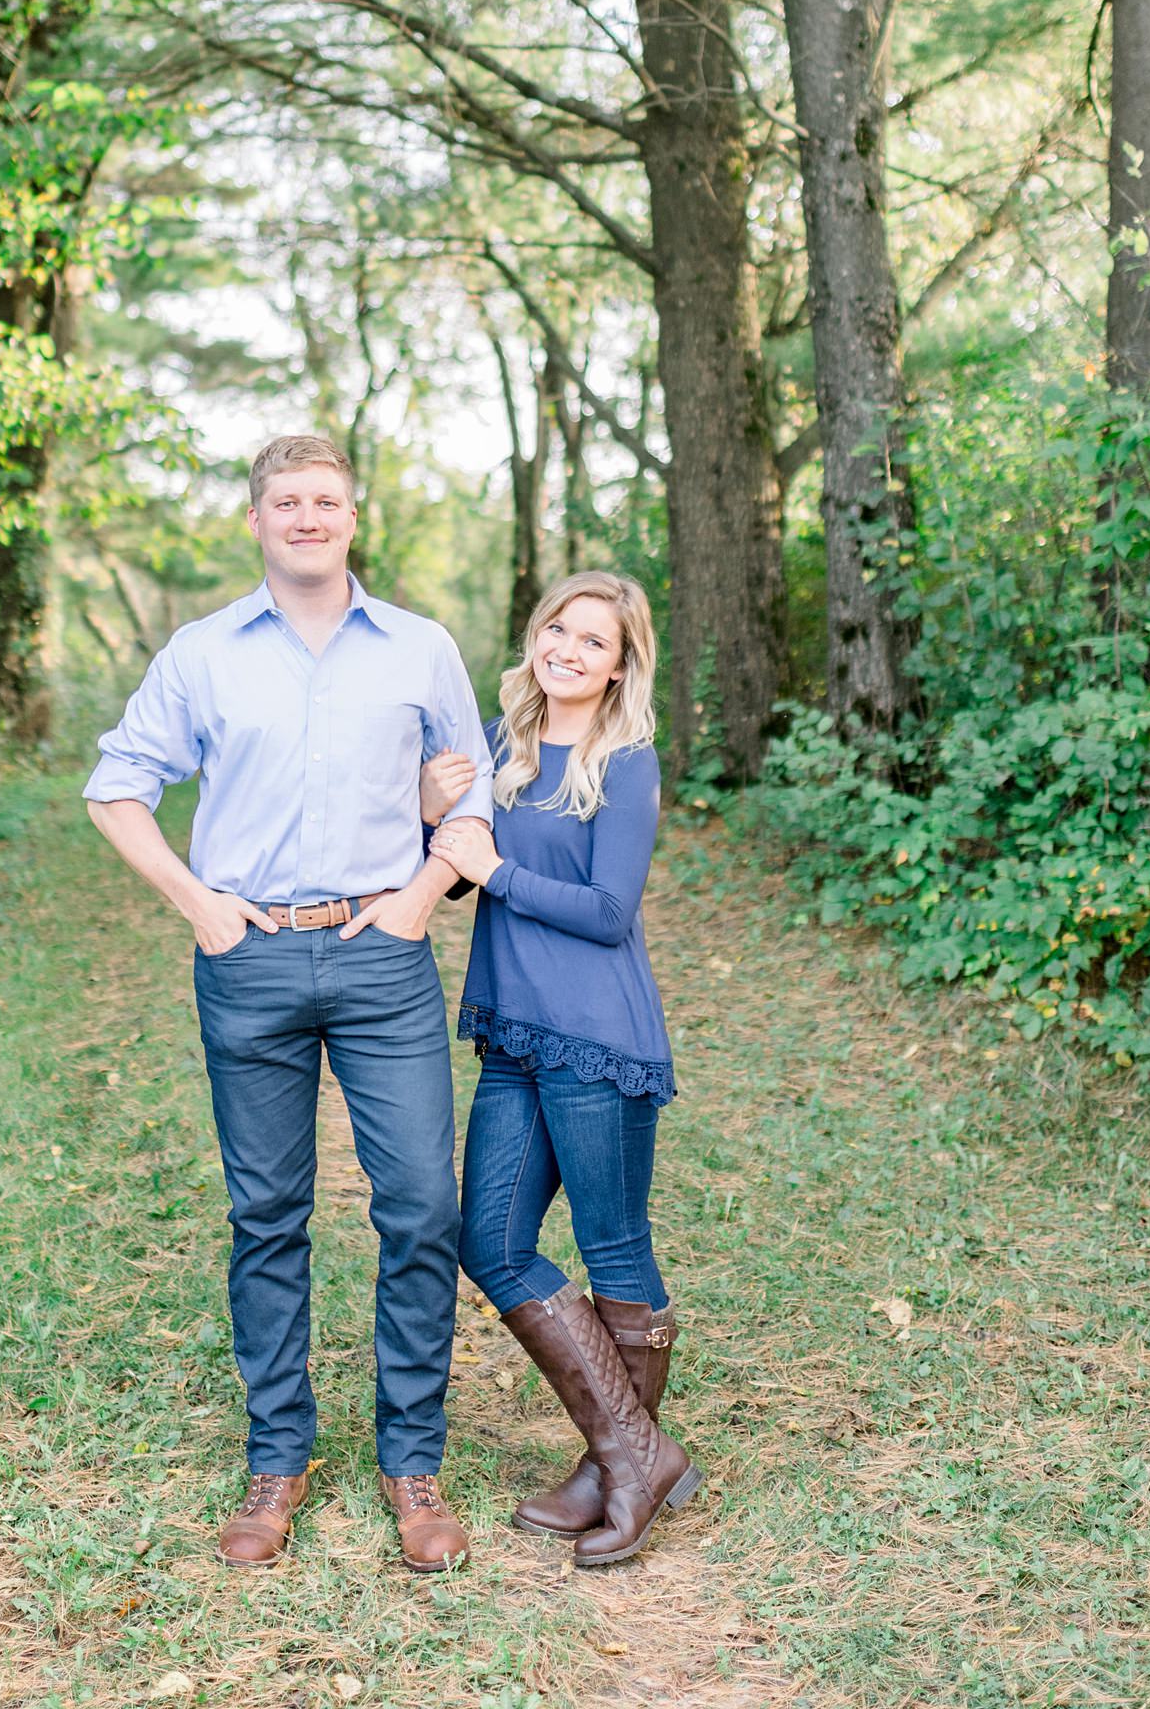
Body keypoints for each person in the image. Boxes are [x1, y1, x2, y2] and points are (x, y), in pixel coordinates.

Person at [83, 435, 495, 1574]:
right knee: (267, 1216)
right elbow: (116, 786)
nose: (307, 516)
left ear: (352, 518)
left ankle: (412, 1463)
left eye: (326, 500)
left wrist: (422, 894)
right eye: (286, 502)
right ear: (256, 520)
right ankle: (279, 1460)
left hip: (380, 954)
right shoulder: (203, 654)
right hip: (249, 956)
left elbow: (475, 796)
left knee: (420, 1205)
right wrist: (195, 902)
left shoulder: (419, 649)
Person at [423, 571, 702, 1567]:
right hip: (515, 1033)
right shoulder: (500, 747)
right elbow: (455, 870)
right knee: (490, 1241)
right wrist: (435, 817)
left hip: (595, 1034)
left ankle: (619, 1466)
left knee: (611, 1242)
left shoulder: (624, 760)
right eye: (559, 629)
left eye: (595, 640)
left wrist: (497, 870)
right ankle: (632, 1449)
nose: (571, 650)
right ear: (535, 636)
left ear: (620, 663)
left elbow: (606, 910)